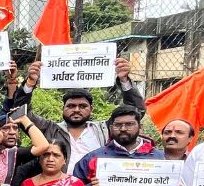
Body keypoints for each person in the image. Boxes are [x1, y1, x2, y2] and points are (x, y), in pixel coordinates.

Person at [13, 57, 146, 168]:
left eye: (82, 106)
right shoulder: (50, 129)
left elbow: (134, 112)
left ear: (91, 109)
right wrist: (30, 83)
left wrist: (124, 80)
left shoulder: (104, 129)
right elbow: (20, 113)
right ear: (63, 108)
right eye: (71, 106)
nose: (76, 109)